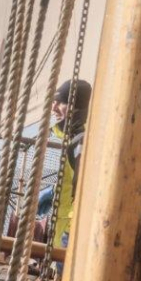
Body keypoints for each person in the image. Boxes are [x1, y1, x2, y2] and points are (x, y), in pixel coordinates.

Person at [39, 78, 92, 249]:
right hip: (64, 231)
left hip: (75, 233)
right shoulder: (74, 139)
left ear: (77, 106)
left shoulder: (83, 141)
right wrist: (55, 192)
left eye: (60, 102)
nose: (53, 108)